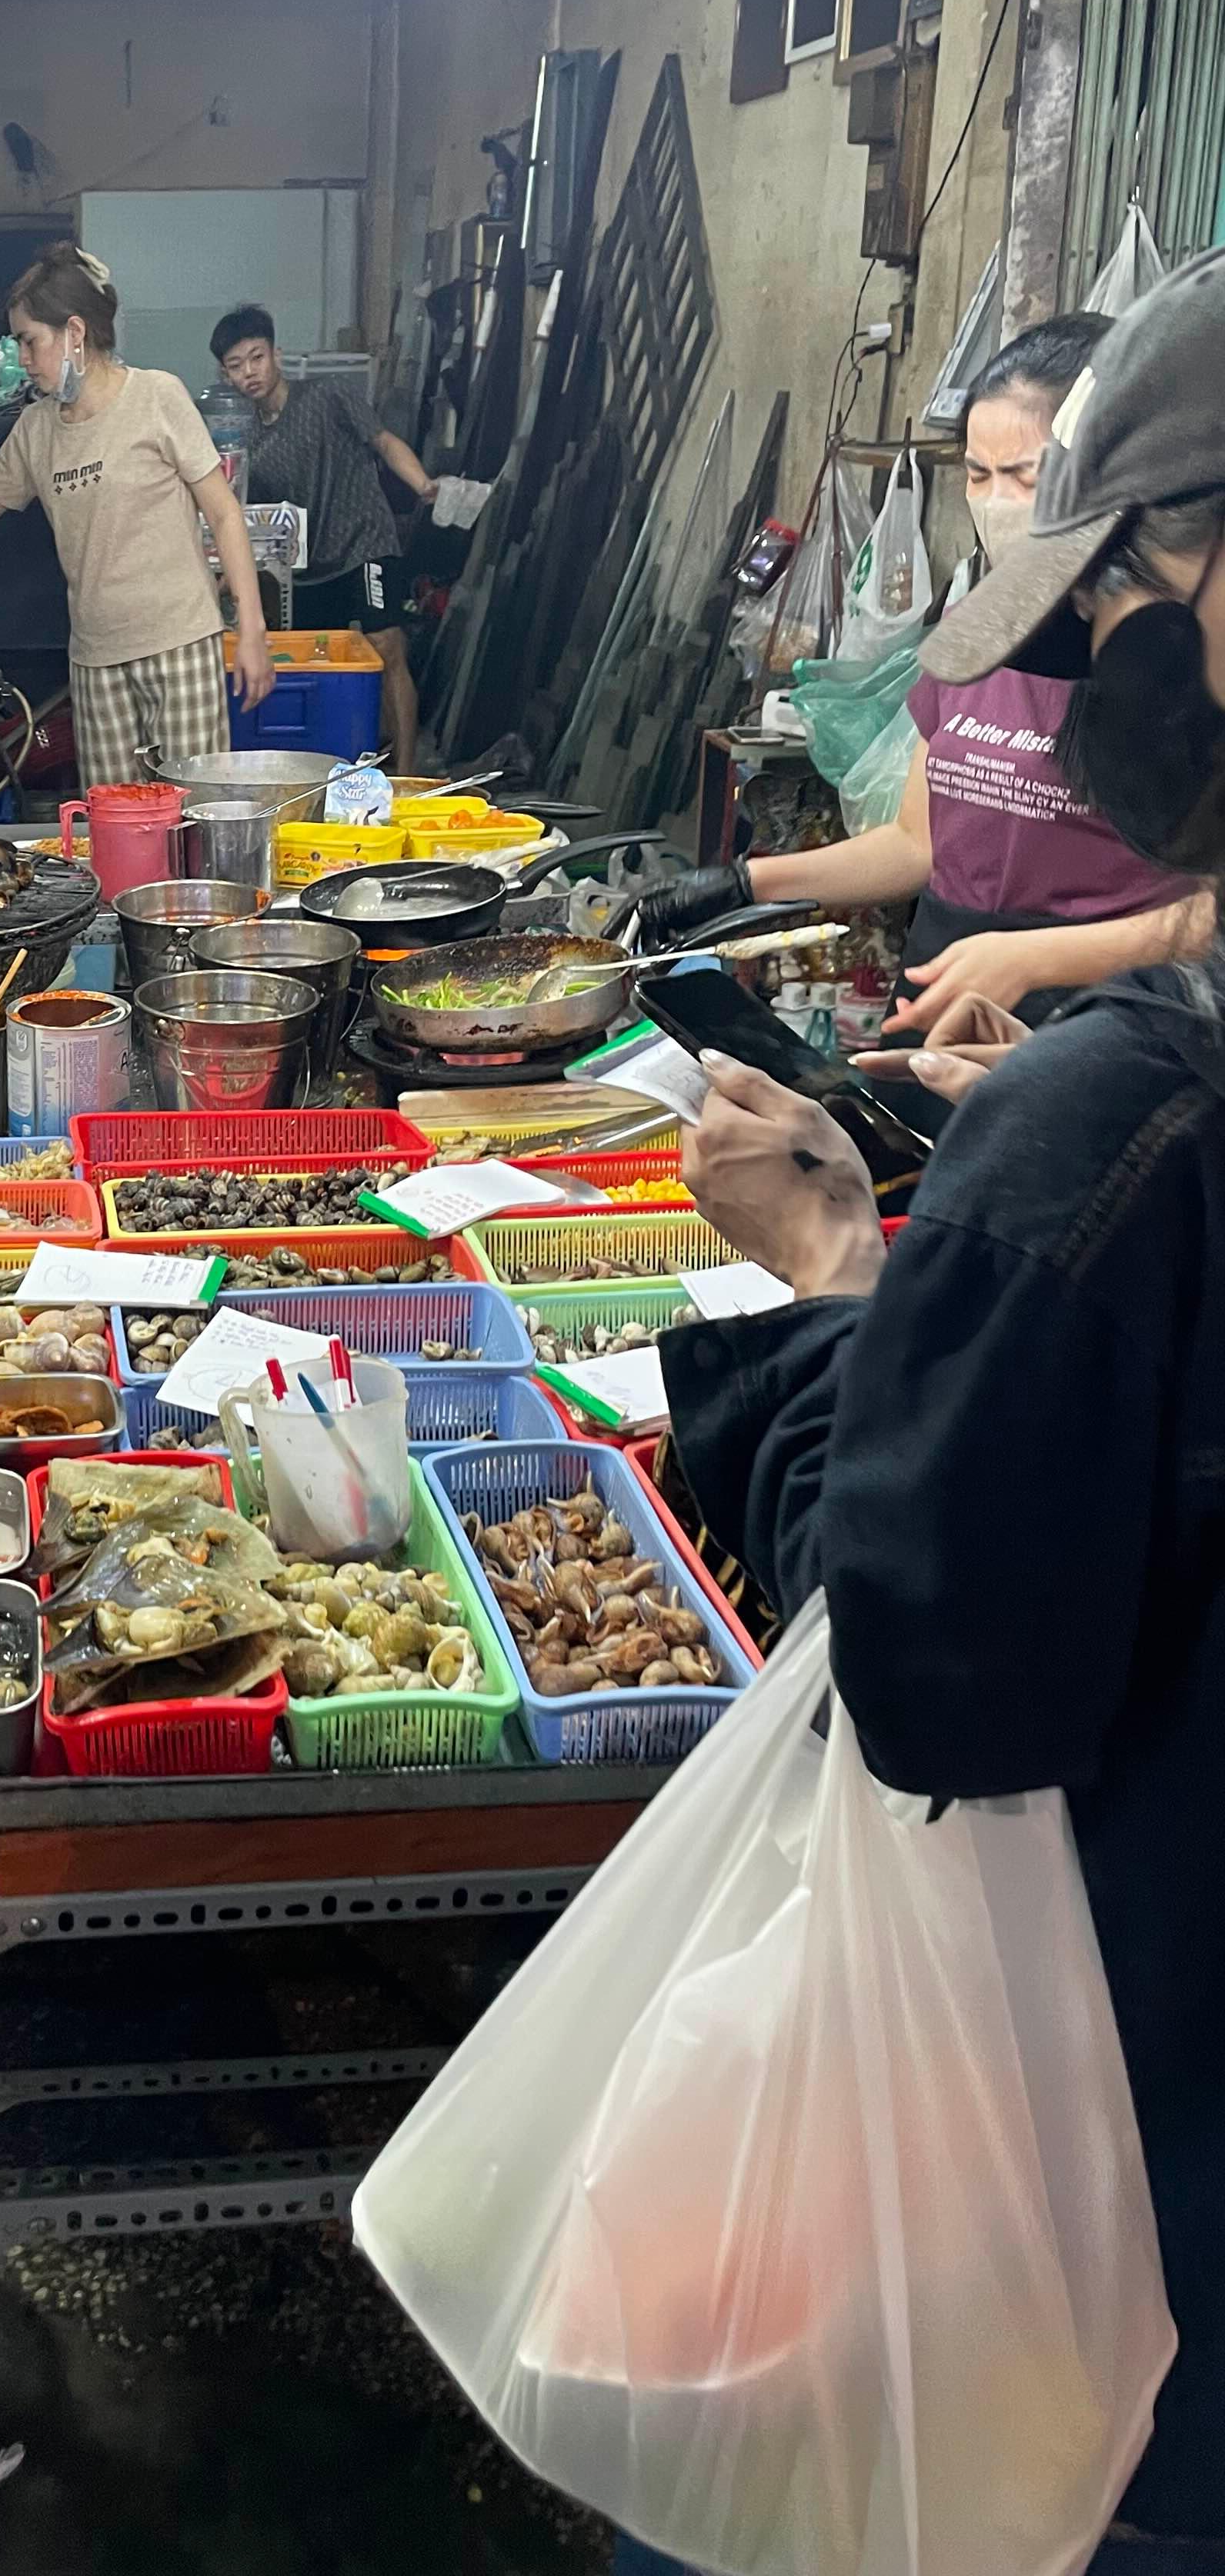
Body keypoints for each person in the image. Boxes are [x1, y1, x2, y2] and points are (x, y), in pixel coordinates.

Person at [614, 253, 1225, 2576]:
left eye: (1125, 605)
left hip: (1114, 2254)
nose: (1095, 674)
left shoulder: (1119, 1141)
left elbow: (927, 1670)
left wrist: (842, 1278)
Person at [640, 315, 1211, 1031]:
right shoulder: (975, 634)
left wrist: (1038, 958)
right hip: (940, 985)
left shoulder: (1176, 654)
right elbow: (918, 844)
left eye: (1025, 475)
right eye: (978, 474)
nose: (996, 502)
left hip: (1105, 1015)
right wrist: (742, 883)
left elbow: (1212, 917)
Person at [0, 248, 274, 784]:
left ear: (74, 332)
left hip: (181, 646)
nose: (23, 359)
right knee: (110, 820)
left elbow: (224, 513)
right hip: (96, 662)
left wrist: (252, 631)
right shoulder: (37, 429)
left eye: (30, 341)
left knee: (191, 817)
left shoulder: (156, 397)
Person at [210, 304, 438, 775]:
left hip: (365, 541)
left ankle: (406, 775)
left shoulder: (329, 394)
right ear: (226, 375)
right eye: (236, 365)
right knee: (314, 663)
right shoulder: (250, 440)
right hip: (308, 567)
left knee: (386, 645)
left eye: (257, 357)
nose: (249, 372)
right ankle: (329, 770)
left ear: (276, 354)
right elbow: (245, 516)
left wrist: (424, 485)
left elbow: (383, 441)